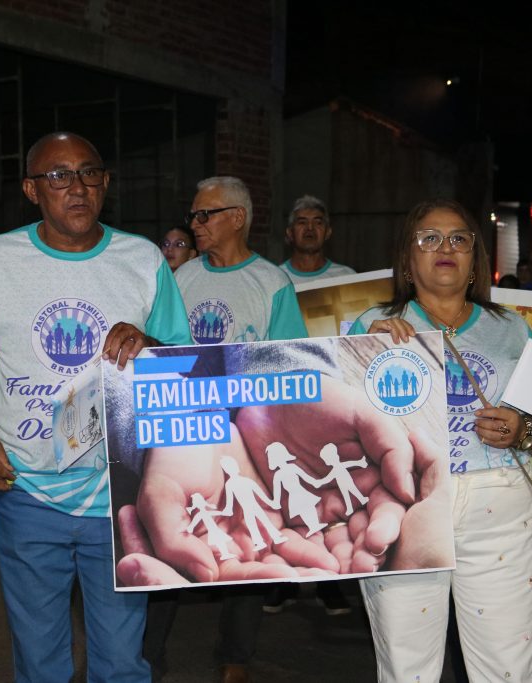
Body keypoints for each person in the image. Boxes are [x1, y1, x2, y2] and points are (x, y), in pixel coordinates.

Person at [0, 131, 190, 683]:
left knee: (121, 662)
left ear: (106, 183)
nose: (76, 187)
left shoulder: (142, 260)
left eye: (88, 173)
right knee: (39, 660)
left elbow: (183, 359)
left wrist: (149, 344)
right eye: (58, 176)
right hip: (25, 487)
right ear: (31, 189)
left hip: (120, 489)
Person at [349, 199, 532, 681]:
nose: (444, 247)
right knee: (407, 669)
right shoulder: (371, 326)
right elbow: (339, 424)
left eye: (458, 239)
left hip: (497, 507)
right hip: (407, 505)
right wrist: (364, 352)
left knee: (506, 669)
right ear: (408, 260)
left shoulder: (511, 328)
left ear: (475, 259)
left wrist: (522, 429)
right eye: (428, 238)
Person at [144, 176, 309, 683]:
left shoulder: (272, 282)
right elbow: (157, 348)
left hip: (244, 431)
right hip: (182, 428)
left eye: (204, 215)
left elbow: (290, 365)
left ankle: (235, 655)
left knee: (247, 538)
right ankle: (147, 656)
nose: (194, 225)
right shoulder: (180, 278)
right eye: (193, 216)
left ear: (237, 217)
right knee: (169, 536)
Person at [279, 194, 356, 284]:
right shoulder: (276, 277)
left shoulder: (346, 277)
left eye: (318, 223)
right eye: (302, 222)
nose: (310, 227)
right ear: (290, 233)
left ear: (328, 232)